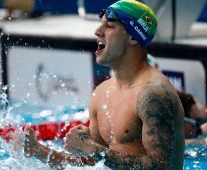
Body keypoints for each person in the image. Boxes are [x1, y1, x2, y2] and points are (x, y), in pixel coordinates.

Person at [23, 0, 185, 169]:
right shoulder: (102, 93)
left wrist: (94, 150)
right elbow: (93, 164)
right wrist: (39, 152)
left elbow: (161, 167)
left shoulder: (153, 94)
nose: (97, 31)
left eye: (109, 26)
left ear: (132, 37)